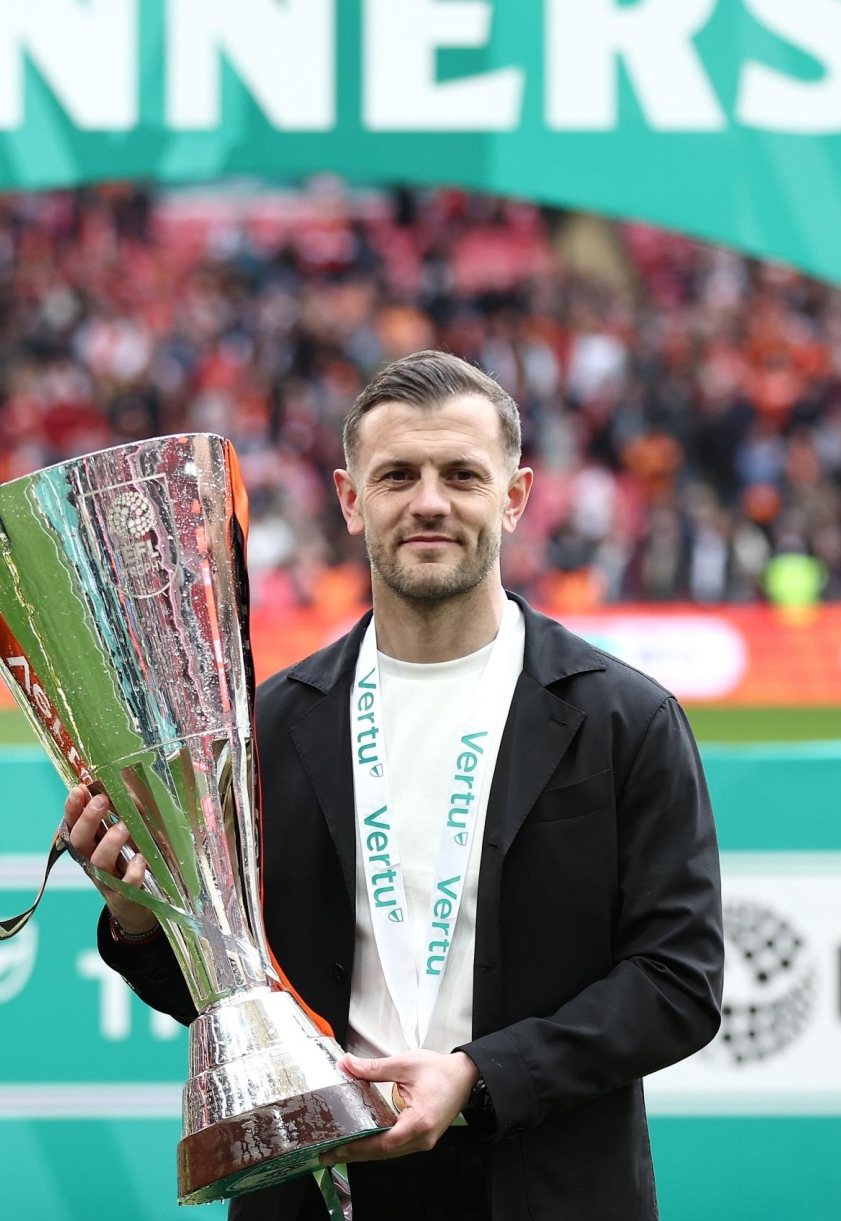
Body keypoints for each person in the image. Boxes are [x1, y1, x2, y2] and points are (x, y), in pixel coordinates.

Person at [64, 351, 723, 1220]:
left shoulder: (623, 719)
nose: (429, 502)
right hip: (318, 1187)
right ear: (349, 499)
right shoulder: (260, 732)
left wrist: (480, 1076)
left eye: (461, 474)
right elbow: (226, 998)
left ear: (515, 496)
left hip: (541, 1181)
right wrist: (144, 923)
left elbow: (678, 981)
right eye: (398, 475)